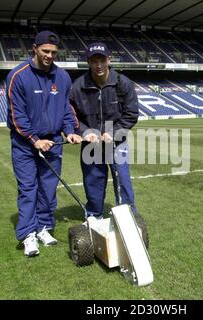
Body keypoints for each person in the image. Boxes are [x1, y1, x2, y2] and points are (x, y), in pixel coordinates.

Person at [6, 30, 82, 257]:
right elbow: (16, 115)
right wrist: (35, 140)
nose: (49, 56)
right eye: (45, 51)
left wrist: (70, 132)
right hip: (25, 145)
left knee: (48, 189)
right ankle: (28, 234)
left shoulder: (63, 77)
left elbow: (67, 110)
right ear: (35, 49)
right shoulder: (18, 76)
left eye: (54, 52)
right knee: (29, 189)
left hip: (54, 143)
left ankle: (44, 227)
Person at [69, 42, 139, 220]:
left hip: (116, 141)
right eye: (94, 61)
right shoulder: (77, 87)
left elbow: (131, 114)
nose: (98, 65)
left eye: (102, 60)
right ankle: (94, 215)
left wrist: (114, 132)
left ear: (109, 59)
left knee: (123, 180)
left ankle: (128, 216)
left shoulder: (123, 83)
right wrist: (85, 132)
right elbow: (71, 116)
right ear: (88, 62)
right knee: (93, 181)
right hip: (91, 142)